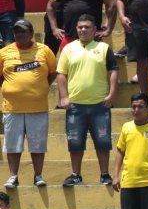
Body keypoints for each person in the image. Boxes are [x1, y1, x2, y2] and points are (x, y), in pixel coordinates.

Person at [55, 13, 117, 188]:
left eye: (87, 27)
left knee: (103, 141)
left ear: (95, 30)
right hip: (75, 105)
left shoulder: (104, 48)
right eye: (80, 27)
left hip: (99, 104)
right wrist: (64, 97)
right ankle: (76, 175)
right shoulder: (68, 49)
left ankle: (104, 174)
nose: (83, 30)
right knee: (75, 142)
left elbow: (113, 71)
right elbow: (61, 74)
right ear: (76, 29)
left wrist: (112, 94)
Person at [0, 18, 57, 190]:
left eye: (24, 31)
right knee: (12, 143)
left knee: (37, 143)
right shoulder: (4, 52)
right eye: (17, 31)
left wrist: (39, 87)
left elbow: (52, 73)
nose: (20, 34)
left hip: (37, 106)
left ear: (32, 33)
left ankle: (38, 175)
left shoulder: (44, 50)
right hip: (12, 107)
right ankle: (13, 176)